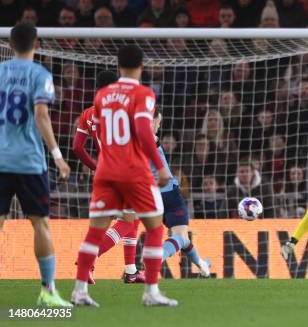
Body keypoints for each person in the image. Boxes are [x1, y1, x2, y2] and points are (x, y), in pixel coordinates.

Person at [71, 45, 177, 307]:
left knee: (95, 232)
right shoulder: (143, 93)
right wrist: (159, 165)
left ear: (118, 66)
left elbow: (94, 138)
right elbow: (142, 130)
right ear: (141, 66)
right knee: (156, 226)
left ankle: (80, 290)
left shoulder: (102, 96)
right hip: (134, 170)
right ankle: (151, 291)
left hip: (106, 170)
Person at [0, 23, 72, 306]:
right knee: (40, 223)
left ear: (11, 44)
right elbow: (41, 114)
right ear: (37, 44)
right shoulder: (40, 74)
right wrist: (57, 155)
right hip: (30, 162)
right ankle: (48, 291)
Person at [72, 70, 146, 284]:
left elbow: (77, 148)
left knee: (131, 218)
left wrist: (95, 167)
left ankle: (131, 271)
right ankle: (89, 259)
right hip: (126, 172)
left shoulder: (88, 114)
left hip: (105, 173)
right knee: (125, 221)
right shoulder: (122, 112)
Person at [151, 108, 211, 277]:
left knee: (183, 238)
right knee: (181, 237)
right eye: (158, 122)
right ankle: (158, 257)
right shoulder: (149, 138)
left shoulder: (129, 142)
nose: (158, 126)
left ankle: (202, 265)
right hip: (169, 193)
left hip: (148, 196)